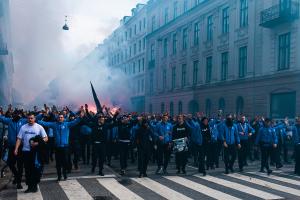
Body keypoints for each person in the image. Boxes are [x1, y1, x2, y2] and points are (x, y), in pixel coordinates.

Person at [38, 112, 83, 181]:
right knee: (58, 163)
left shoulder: (67, 124)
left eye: (61, 117)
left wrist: (80, 117)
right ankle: (59, 176)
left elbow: (75, 122)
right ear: (57, 118)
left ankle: (65, 175)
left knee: (65, 162)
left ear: (63, 118)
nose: (60, 118)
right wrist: (39, 118)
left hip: (65, 147)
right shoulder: (54, 125)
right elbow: (44, 123)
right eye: (59, 117)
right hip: (57, 147)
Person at [14, 112, 48, 193]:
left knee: (35, 170)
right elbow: (19, 138)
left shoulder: (39, 127)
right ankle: (29, 186)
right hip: (26, 151)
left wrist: (37, 143)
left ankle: (35, 185)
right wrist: (16, 149)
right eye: (29, 118)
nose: (30, 120)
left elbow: (46, 138)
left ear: (35, 119)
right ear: (27, 119)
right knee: (28, 170)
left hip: (35, 153)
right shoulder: (23, 127)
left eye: (32, 118)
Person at [0, 110, 27, 189]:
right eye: (14, 114)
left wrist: (44, 114)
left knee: (20, 165)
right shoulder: (9, 121)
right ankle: (16, 175)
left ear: (20, 115)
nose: (16, 116)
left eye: (17, 114)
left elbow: (33, 118)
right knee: (10, 163)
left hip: (21, 147)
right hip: (11, 146)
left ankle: (18, 182)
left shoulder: (23, 121)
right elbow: (1, 118)